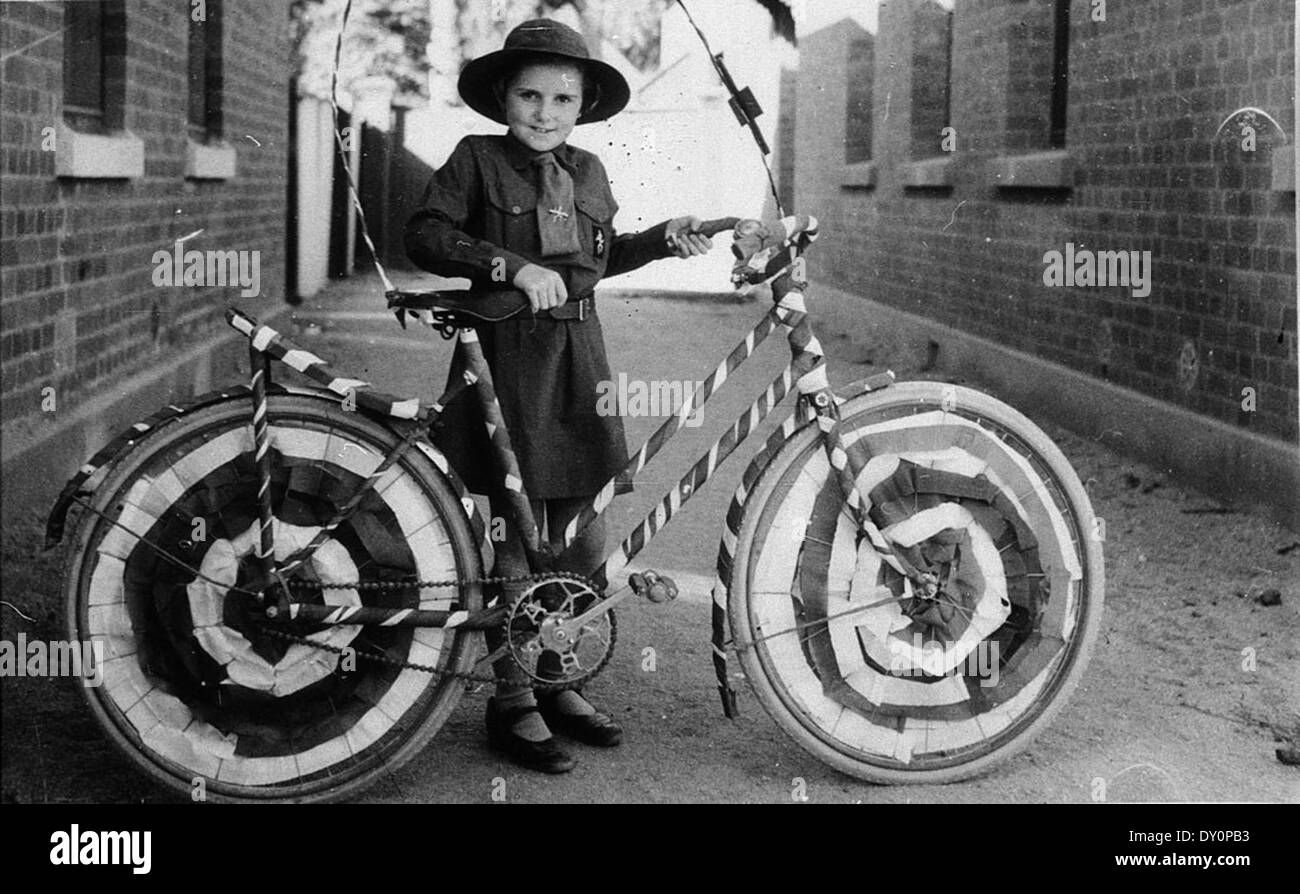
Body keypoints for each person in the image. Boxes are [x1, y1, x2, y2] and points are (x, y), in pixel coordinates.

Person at [404, 18, 715, 773]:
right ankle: (510, 700)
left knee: (583, 535)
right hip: (507, 357)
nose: (545, 112)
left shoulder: (590, 171)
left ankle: (557, 677)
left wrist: (663, 237)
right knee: (518, 533)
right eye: (530, 95)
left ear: (582, 106)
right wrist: (508, 267)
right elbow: (425, 232)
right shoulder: (476, 161)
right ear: (503, 99)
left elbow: (591, 264)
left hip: (580, 360)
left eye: (562, 98)